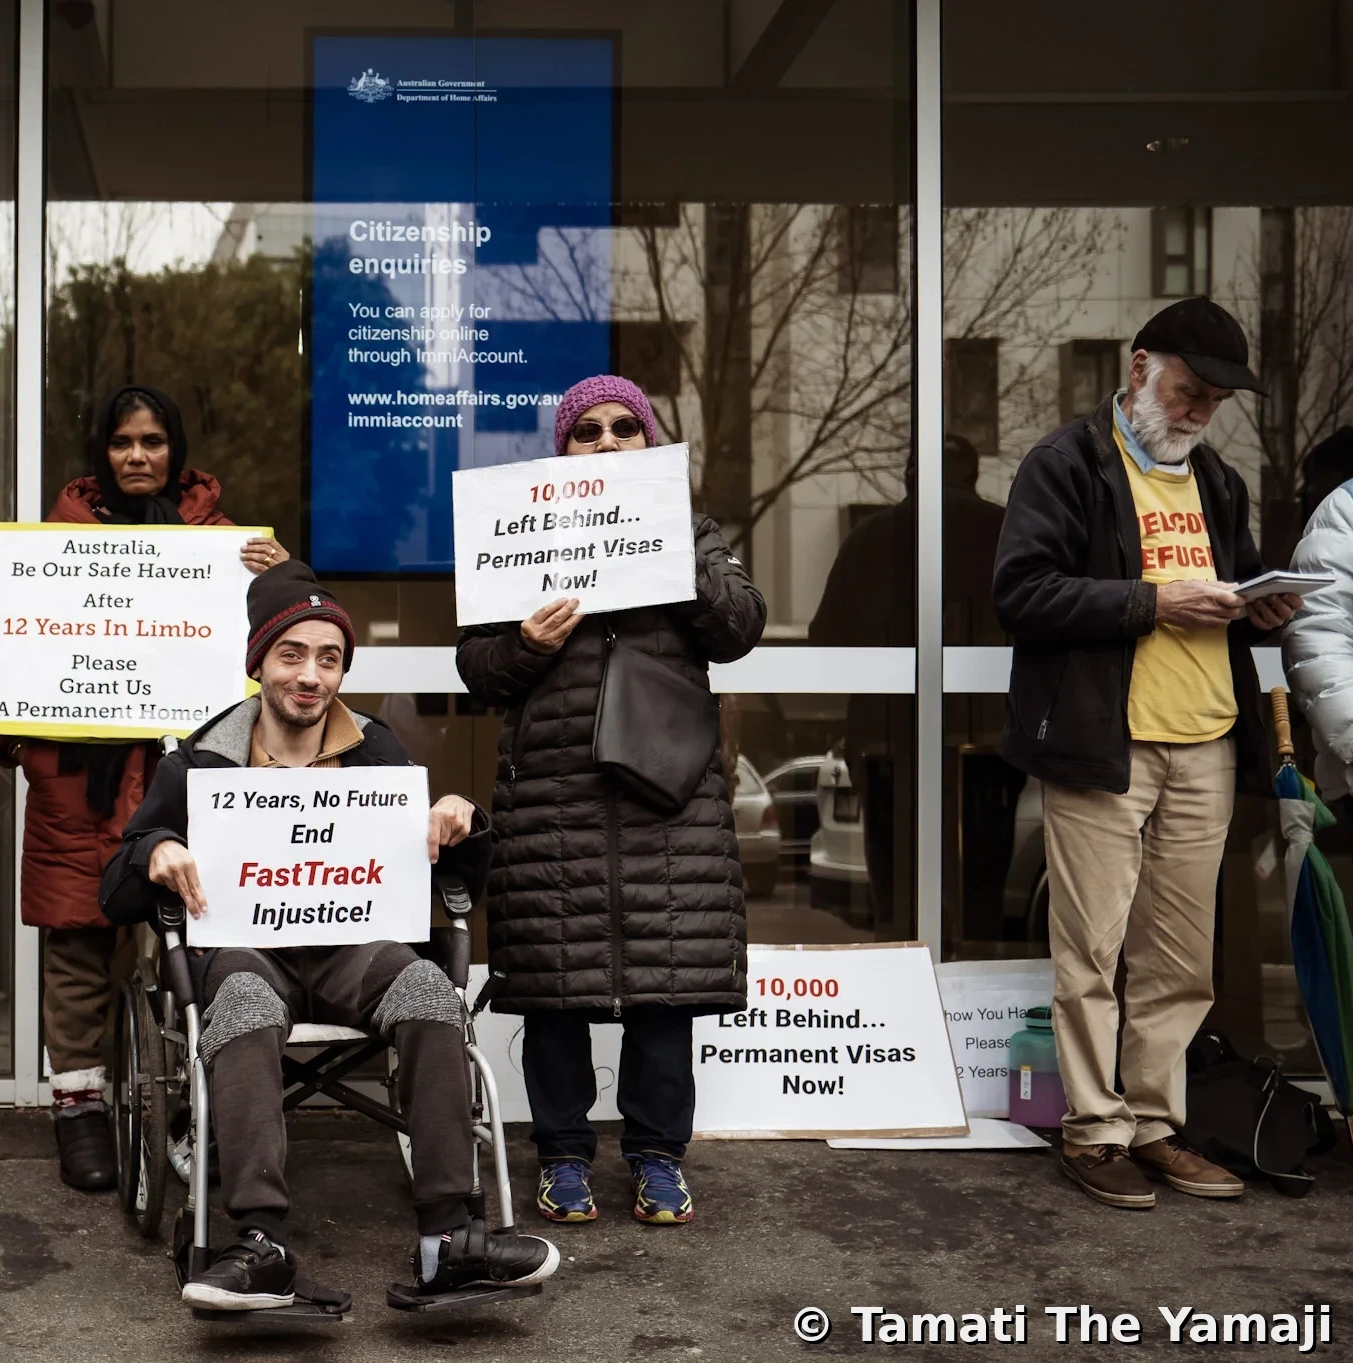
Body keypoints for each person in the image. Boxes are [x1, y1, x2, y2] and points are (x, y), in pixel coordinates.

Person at [99, 562, 560, 1311]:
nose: (310, 674)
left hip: (354, 945)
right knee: (244, 1002)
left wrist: (457, 813)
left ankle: (450, 1239)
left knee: (430, 994)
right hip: (246, 947)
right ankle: (260, 1242)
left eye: (329, 657)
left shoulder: (376, 751)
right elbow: (115, 888)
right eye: (292, 654)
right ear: (259, 661)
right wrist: (155, 848)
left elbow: (448, 863)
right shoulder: (200, 758)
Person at [993, 297, 1299, 1210]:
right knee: (1090, 950)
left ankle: (1157, 1125)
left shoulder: (1219, 482)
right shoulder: (1067, 463)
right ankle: (1093, 1131)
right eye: (1187, 390)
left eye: (1214, 401)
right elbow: (1023, 593)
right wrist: (1154, 602)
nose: (1199, 412)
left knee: (1179, 957)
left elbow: (1229, 586)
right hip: (1103, 743)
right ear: (1137, 370)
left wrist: (1260, 604)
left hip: (1203, 739)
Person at [456, 374, 765, 1228]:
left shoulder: (691, 530)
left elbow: (740, 626)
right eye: (585, 430)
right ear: (562, 449)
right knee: (556, 992)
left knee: (666, 997)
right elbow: (475, 670)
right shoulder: (517, 534)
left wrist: (672, 551)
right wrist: (526, 642)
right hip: (554, 806)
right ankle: (561, 1158)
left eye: (624, 428)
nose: (604, 442)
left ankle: (658, 1160)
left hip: (668, 804)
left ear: (650, 441)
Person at [0, 384, 286, 1190]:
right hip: (76, 781)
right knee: (78, 948)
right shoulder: (56, 539)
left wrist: (280, 571)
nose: (137, 456)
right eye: (122, 442)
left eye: (153, 440)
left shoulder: (220, 541)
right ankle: (80, 1109)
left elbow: (288, 630)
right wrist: (22, 734)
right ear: (102, 450)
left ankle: (189, 1110)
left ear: (176, 447)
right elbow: (12, 646)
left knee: (187, 947)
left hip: (179, 775)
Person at [809, 435, 1023, 943]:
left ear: (909, 476)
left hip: (890, 742)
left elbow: (827, 641)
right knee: (981, 884)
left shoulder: (870, 538)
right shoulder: (1007, 534)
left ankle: (905, 990)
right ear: (973, 475)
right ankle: (972, 996)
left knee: (898, 886)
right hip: (987, 741)